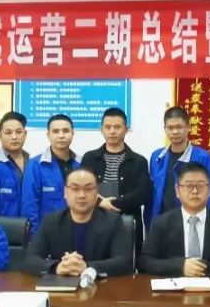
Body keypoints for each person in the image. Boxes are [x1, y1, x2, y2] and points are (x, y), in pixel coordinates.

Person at [140, 162, 210, 277]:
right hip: (174, 286)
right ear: (177, 190)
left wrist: (205, 268)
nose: (195, 191)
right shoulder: (161, 224)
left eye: (200, 186)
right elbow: (145, 262)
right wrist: (180, 266)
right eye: (189, 185)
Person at [25, 168, 133, 277]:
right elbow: (30, 259)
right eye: (75, 189)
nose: (82, 195)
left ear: (97, 192)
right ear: (65, 192)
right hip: (61, 284)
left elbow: (125, 262)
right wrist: (57, 267)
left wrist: (87, 267)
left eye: (88, 189)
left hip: (101, 285)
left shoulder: (112, 221)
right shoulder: (52, 221)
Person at [80, 107, 151, 255]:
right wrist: (100, 202)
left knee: (125, 264)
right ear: (101, 130)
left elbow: (143, 194)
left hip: (126, 224)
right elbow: (81, 188)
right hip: (93, 222)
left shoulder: (138, 161)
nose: (112, 131)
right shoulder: (89, 158)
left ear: (126, 130)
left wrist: (112, 203)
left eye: (117, 127)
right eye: (108, 127)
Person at [147, 106, 210, 229]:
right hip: (161, 223)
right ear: (165, 129)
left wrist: (209, 226)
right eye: (170, 128)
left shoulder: (203, 157)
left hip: (192, 224)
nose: (175, 132)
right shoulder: (157, 157)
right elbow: (152, 195)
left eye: (179, 127)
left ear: (188, 127)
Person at [22, 114, 81, 234]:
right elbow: (30, 205)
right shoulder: (35, 165)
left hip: (78, 230)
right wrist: (35, 237)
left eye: (66, 131)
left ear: (73, 134)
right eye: (55, 131)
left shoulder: (82, 163)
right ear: (48, 135)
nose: (61, 135)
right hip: (47, 233)